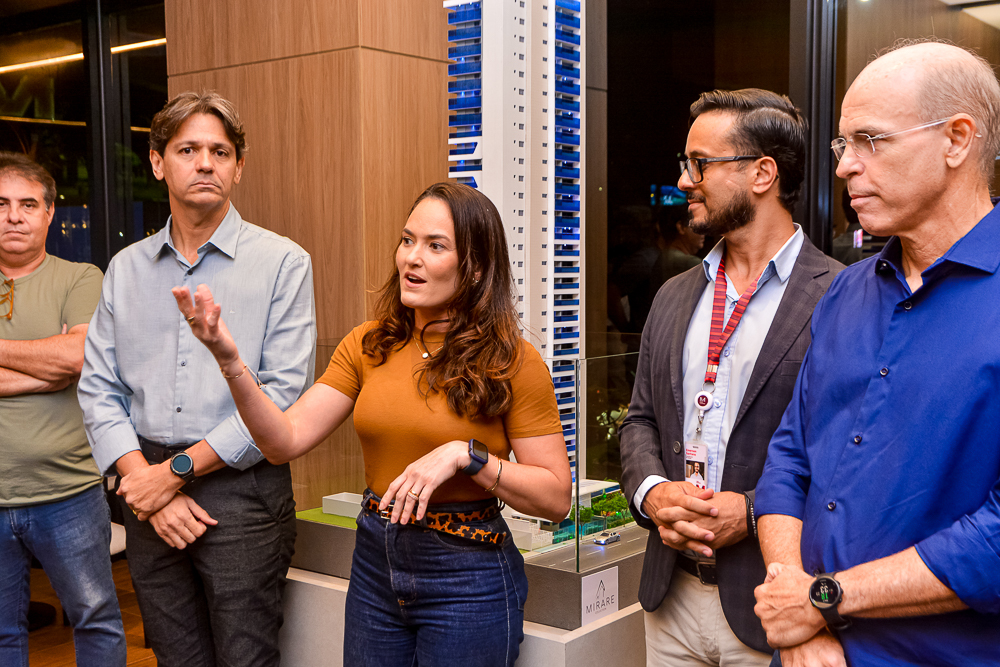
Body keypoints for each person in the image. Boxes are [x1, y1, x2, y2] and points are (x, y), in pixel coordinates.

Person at [175, 181, 572, 667]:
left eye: (435, 246)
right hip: (375, 563)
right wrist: (230, 361)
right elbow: (282, 441)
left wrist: (466, 456)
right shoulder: (368, 345)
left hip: (467, 573)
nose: (411, 258)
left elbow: (555, 497)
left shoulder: (513, 360)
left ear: (474, 268)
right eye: (407, 240)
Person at [754, 39, 1000, 667]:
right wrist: (798, 614)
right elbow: (790, 456)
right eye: (843, 144)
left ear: (956, 139)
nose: (844, 167)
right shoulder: (845, 291)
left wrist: (823, 601)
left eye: (871, 140)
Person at [77, 92, 316, 666]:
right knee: (175, 657)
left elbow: (282, 394)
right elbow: (99, 388)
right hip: (144, 482)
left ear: (239, 166)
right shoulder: (126, 269)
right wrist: (146, 482)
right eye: (187, 150)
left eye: (220, 151)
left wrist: (175, 474)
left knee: (245, 657)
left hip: (242, 491)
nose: (206, 163)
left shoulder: (284, 262)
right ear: (158, 162)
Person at [619, 89, 842, 667]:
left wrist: (752, 512)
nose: (684, 181)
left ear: (762, 174)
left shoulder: (841, 297)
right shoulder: (674, 294)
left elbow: (848, 454)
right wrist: (652, 492)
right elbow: (640, 420)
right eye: (685, 163)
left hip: (771, 605)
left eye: (700, 164)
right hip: (669, 599)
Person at [0, 153, 126, 666]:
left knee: (96, 619)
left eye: (28, 204)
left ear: (50, 213)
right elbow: (62, 363)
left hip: (69, 490)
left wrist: (65, 362)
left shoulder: (81, 277)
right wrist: (45, 367)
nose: (14, 216)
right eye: (1, 204)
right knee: (1, 632)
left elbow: (76, 357)